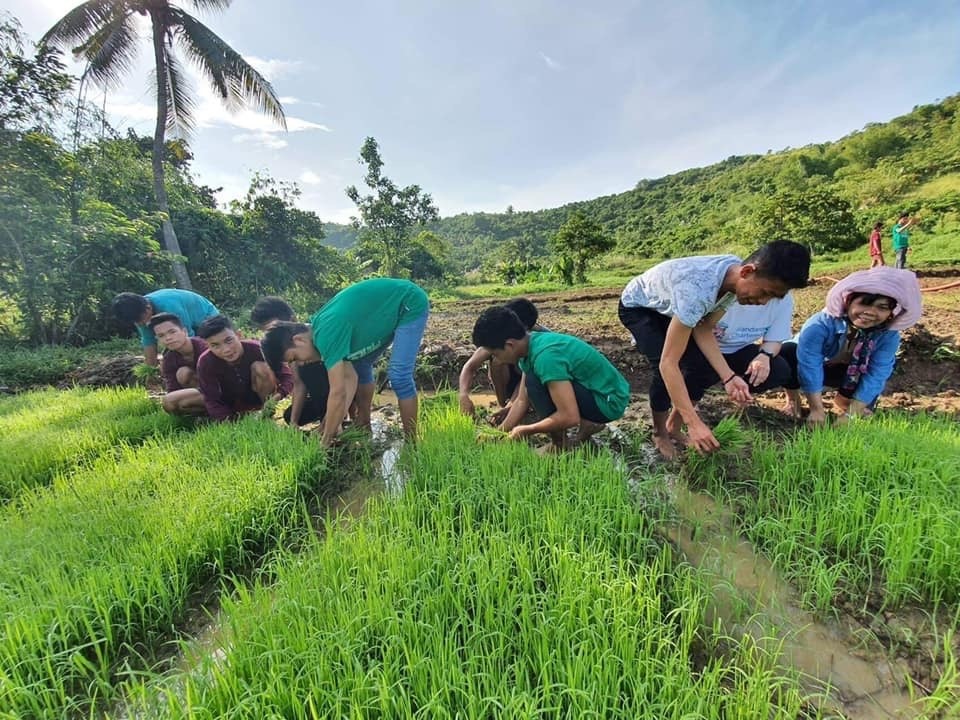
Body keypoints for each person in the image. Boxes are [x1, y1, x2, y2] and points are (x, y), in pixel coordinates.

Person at [618, 240, 811, 458]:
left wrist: (728, 377)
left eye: (772, 297)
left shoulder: (731, 280)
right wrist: (694, 422)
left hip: (676, 306)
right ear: (747, 271)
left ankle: (673, 427)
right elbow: (668, 363)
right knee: (666, 370)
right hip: (641, 307)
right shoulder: (698, 291)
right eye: (765, 292)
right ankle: (660, 433)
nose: (763, 302)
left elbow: (705, 328)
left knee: (701, 365)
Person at [261, 278, 429, 446]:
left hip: (407, 304)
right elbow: (350, 379)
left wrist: (325, 441)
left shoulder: (326, 335)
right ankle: (364, 424)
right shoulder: (316, 331)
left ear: (298, 340)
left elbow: (338, 393)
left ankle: (412, 443)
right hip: (385, 315)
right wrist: (327, 425)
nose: (301, 363)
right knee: (360, 366)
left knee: (399, 375)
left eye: (295, 358)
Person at [472, 305, 629, 453]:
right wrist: (499, 434)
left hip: (609, 402)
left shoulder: (545, 357)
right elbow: (521, 400)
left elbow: (569, 417)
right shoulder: (529, 345)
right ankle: (582, 429)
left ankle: (559, 445)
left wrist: (527, 430)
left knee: (534, 382)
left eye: (496, 354)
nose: (497, 360)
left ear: (509, 345)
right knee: (532, 381)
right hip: (596, 390)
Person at [781, 267, 922, 424]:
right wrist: (816, 409)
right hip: (811, 368)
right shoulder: (821, 323)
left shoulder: (888, 336)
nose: (870, 312)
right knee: (788, 351)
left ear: (891, 313)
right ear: (848, 302)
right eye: (864, 303)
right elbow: (809, 364)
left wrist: (850, 415)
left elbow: (877, 374)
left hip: (847, 374)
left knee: (885, 367)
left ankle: (845, 401)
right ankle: (793, 399)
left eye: (882, 307)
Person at [665, 295, 796, 429]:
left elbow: (775, 339)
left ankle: (739, 392)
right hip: (703, 347)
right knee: (701, 371)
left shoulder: (783, 299)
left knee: (778, 370)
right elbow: (701, 330)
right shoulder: (728, 294)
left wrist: (764, 356)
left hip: (738, 348)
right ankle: (684, 408)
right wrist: (727, 375)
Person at [458, 297, 548, 418]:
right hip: (512, 380)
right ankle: (504, 404)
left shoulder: (539, 341)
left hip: (536, 382)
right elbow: (470, 366)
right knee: (497, 361)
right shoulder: (501, 333)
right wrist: (463, 395)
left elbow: (525, 380)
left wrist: (513, 406)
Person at [196, 315, 293, 422]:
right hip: (233, 404)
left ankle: (267, 416)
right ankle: (228, 418)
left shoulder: (259, 349)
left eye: (229, 341)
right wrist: (227, 421)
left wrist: (277, 396)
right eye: (215, 345)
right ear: (208, 346)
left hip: (262, 400)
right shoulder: (205, 362)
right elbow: (211, 398)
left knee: (260, 367)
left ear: (238, 335)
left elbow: (288, 376)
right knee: (181, 400)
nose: (226, 350)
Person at [251, 296, 330, 428]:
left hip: (341, 390)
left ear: (292, 320)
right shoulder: (290, 352)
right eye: (267, 332)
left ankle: (333, 418)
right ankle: (326, 417)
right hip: (321, 396)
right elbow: (299, 385)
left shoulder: (315, 337)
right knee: (289, 416)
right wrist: (293, 423)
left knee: (312, 371)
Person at [113, 289, 219, 367]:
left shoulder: (170, 306)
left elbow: (188, 339)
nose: (141, 324)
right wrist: (150, 371)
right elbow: (148, 342)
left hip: (207, 319)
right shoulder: (139, 313)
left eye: (141, 320)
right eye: (136, 322)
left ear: (148, 308)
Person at [148, 312, 207, 415]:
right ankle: (208, 413)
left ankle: (226, 410)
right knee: (170, 402)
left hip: (226, 387)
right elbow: (173, 389)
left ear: (184, 331)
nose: (168, 338)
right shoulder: (168, 359)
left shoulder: (205, 346)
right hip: (203, 392)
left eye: (172, 332)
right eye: (161, 335)